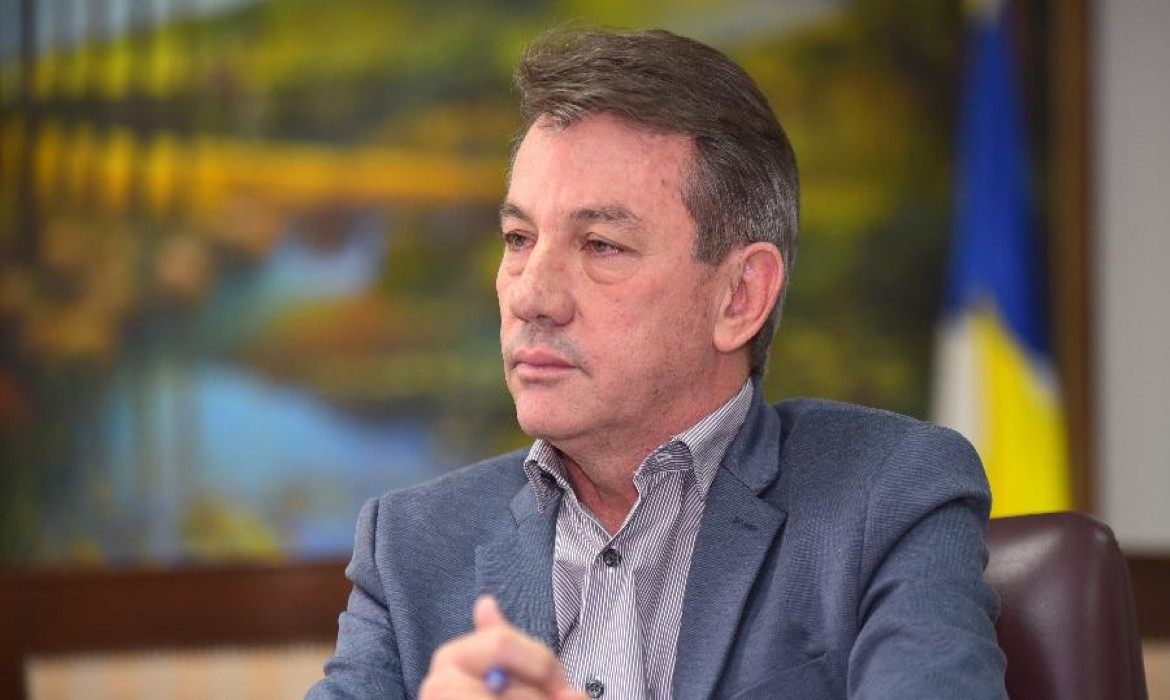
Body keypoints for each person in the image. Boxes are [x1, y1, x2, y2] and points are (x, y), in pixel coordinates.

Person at [307, 28, 1006, 699]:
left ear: (739, 296)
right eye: (518, 238)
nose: (530, 295)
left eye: (601, 245)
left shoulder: (886, 498)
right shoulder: (412, 547)